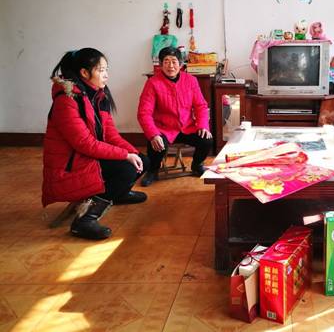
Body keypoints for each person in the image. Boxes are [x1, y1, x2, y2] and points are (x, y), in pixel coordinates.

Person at [43, 48, 149, 240]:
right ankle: (84, 220)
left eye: (106, 69)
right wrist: (125, 156)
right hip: (70, 166)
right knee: (126, 169)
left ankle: (118, 193)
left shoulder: (98, 96)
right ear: (84, 73)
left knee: (142, 161)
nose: (106, 75)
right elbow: (84, 143)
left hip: (86, 156)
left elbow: (110, 134)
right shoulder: (67, 99)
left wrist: (132, 152)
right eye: (101, 70)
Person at [138, 46, 212, 186]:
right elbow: (144, 113)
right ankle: (153, 170)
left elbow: (201, 106)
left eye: (174, 61)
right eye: (166, 62)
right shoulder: (153, 83)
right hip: (164, 128)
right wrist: (153, 134)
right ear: (160, 65)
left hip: (187, 127)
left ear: (181, 64)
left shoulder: (191, 80)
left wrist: (203, 125)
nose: (170, 66)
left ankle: (197, 165)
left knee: (206, 140)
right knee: (157, 144)